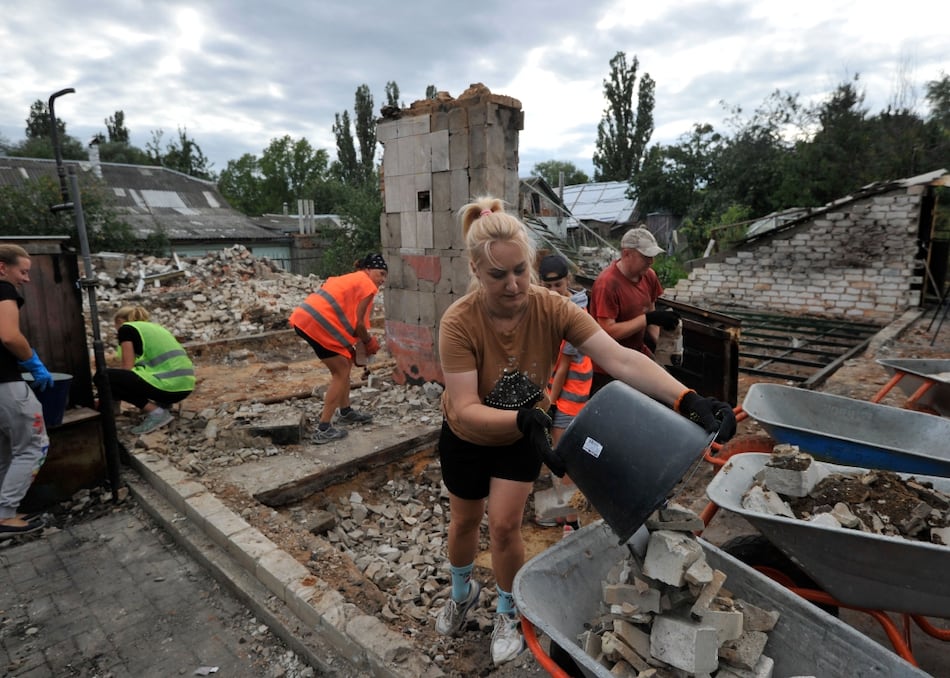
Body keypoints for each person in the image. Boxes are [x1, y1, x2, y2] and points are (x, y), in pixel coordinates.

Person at [434, 198, 736, 665]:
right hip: (469, 438)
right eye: (498, 276)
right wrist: (520, 417)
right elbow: (466, 407)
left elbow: (619, 357)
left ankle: (508, 607)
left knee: (506, 526)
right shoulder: (458, 322)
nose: (514, 285)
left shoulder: (552, 308)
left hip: (521, 439)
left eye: (521, 270)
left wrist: (688, 400)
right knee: (465, 522)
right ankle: (460, 591)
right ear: (475, 270)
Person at [289, 253, 387, 444]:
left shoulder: (352, 279)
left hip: (307, 319)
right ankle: (324, 428)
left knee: (346, 361)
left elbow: (349, 321)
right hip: (316, 323)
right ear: (368, 270)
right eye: (380, 273)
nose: (382, 280)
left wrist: (357, 347)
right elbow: (359, 325)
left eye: (385, 276)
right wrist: (369, 343)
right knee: (340, 372)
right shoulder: (367, 285)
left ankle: (346, 411)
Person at [587, 226, 681, 395]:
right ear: (626, 254)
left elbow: (652, 317)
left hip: (636, 352)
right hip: (608, 364)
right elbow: (608, 331)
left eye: (652, 257)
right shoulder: (607, 284)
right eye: (645, 256)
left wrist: (666, 348)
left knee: (666, 391)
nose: (651, 261)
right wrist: (647, 319)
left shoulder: (648, 276)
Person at [0, 244, 51, 536]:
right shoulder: (4, 291)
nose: (26, 279)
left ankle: (2, 511)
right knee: (34, 446)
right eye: (23, 271)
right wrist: (32, 361)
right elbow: (8, 335)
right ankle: (5, 516)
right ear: (2, 267)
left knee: (5, 451)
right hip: (6, 384)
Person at [537, 254, 590, 532]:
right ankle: (564, 512)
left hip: (568, 394)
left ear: (567, 280)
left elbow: (564, 367)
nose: (554, 291)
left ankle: (571, 522)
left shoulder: (574, 312)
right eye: (548, 286)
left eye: (558, 285)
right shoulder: (550, 307)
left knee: (561, 458)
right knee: (562, 455)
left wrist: (550, 403)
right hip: (561, 390)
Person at [106, 305, 195, 435]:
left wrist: (109, 391)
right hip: (184, 386)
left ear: (119, 321)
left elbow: (127, 369)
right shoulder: (155, 328)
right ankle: (163, 405)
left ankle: (157, 413)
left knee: (104, 376)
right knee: (127, 376)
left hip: (168, 387)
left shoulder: (126, 329)